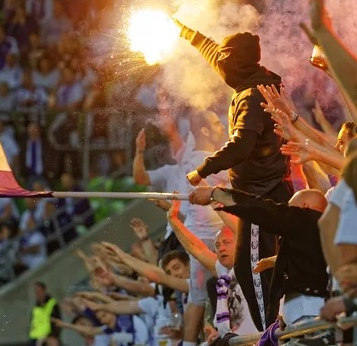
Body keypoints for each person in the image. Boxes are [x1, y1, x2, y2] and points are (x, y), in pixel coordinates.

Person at [176, 20, 292, 330]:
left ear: (236, 63)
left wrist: (202, 171)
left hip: (261, 197)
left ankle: (272, 332)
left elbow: (241, 146)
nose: (221, 67)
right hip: (263, 194)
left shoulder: (252, 95)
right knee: (264, 267)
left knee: (252, 269)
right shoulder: (251, 76)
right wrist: (187, 32)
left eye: (226, 62)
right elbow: (215, 53)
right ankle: (279, 328)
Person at [133, 111, 229, 345]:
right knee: (197, 293)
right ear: (204, 131)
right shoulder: (204, 159)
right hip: (203, 239)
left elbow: (179, 134)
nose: (221, 127)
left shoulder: (194, 155)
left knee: (203, 293)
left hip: (210, 234)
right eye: (217, 123)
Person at [190, 187, 329, 327]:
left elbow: (264, 210)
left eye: (290, 208)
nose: (287, 211)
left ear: (305, 206)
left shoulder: (305, 218)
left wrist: (216, 195)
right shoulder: (324, 233)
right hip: (308, 310)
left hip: (308, 311)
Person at [167, 198, 258, 343]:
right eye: (217, 244)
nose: (221, 248)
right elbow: (197, 249)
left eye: (226, 243)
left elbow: (243, 232)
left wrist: (215, 201)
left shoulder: (253, 263)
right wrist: (173, 220)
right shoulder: (224, 270)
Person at [28, 282, 61, 346]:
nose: (37, 293)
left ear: (44, 290)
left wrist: (53, 335)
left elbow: (57, 321)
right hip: (34, 336)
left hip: (47, 337)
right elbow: (33, 320)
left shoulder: (52, 303)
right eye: (36, 291)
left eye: (39, 291)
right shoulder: (36, 306)